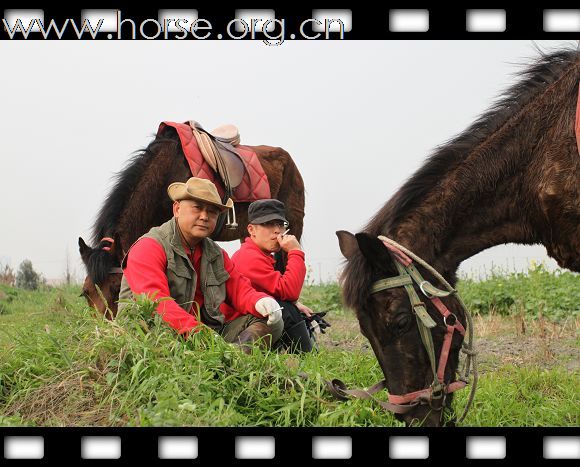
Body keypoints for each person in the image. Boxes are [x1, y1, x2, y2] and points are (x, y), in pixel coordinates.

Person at [118, 177, 284, 352]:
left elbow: (240, 289)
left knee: (269, 322)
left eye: (212, 212)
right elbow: (157, 304)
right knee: (157, 336)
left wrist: (260, 301)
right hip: (155, 332)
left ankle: (230, 357)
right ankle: (229, 361)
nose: (204, 216)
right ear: (177, 209)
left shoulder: (216, 253)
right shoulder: (149, 246)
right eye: (197, 208)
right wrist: (200, 333)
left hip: (205, 333)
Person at [227, 199, 329, 352]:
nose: (277, 230)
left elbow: (280, 293)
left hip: (247, 318)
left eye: (280, 224)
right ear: (251, 230)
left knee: (289, 307)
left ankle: (301, 352)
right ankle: (307, 354)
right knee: (286, 310)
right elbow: (289, 291)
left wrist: (294, 304)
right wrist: (296, 252)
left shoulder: (260, 254)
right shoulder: (249, 256)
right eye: (268, 224)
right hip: (235, 325)